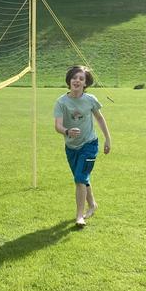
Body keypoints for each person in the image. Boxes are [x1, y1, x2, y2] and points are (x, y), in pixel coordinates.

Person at [54, 65, 111, 228]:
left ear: (85, 83)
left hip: (89, 144)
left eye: (81, 79)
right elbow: (57, 126)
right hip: (71, 147)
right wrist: (67, 131)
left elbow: (100, 119)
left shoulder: (90, 99)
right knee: (82, 177)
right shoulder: (61, 102)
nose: (77, 81)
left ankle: (79, 216)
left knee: (79, 178)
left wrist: (108, 139)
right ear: (69, 81)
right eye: (74, 78)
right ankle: (92, 204)